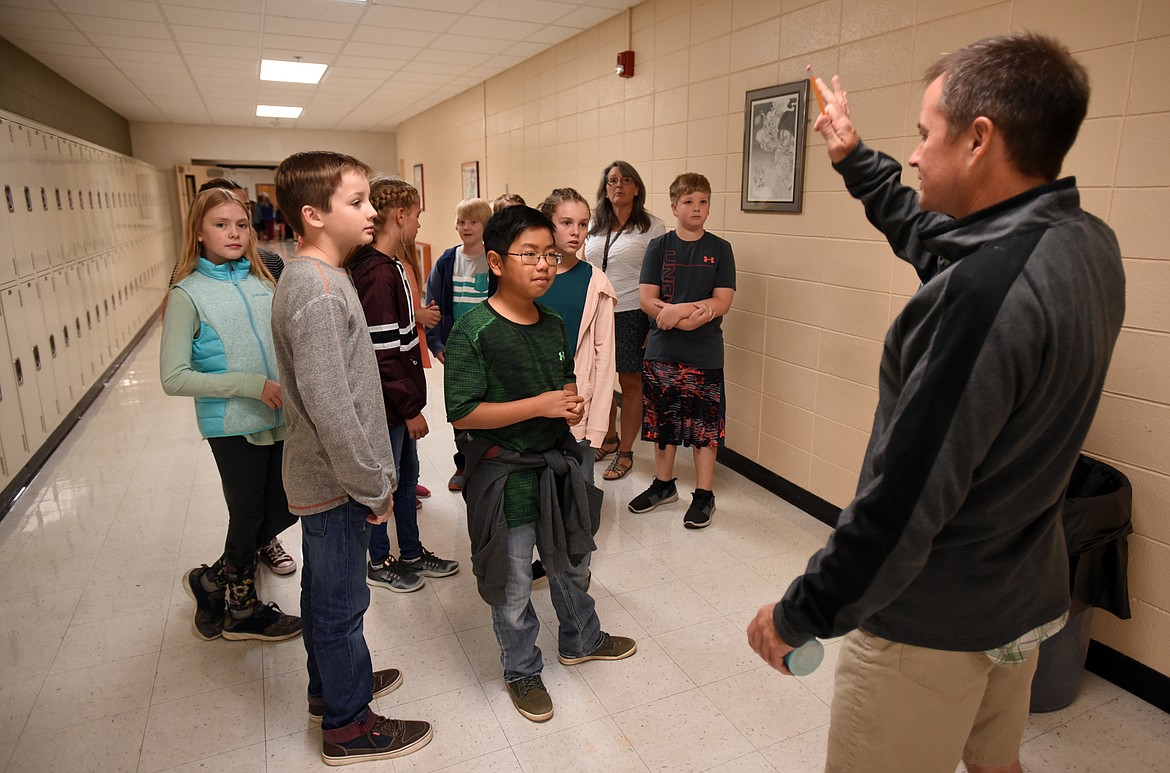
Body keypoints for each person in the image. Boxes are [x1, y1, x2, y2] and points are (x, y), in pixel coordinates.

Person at [746, 32, 1125, 773]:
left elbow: (903, 501)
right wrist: (854, 157)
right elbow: (938, 239)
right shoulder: (1086, 244)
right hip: (1020, 591)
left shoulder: (982, 297)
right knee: (995, 762)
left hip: (932, 623)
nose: (914, 154)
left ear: (980, 138)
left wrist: (801, 612)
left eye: (924, 135)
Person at [444, 205, 636, 723]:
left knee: (572, 560)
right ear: (497, 262)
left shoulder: (552, 323)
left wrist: (568, 399)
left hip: (557, 466)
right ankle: (522, 668)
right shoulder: (474, 330)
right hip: (505, 476)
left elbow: (561, 383)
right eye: (528, 254)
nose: (544, 265)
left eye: (550, 254)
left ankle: (582, 637)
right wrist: (540, 405)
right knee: (511, 584)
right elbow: (462, 410)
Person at [272, 151, 432, 766]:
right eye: (357, 201)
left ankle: (331, 688)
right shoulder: (316, 290)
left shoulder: (324, 277)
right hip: (338, 481)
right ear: (313, 215)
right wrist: (373, 485)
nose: (372, 212)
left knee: (324, 594)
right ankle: (348, 724)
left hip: (333, 476)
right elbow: (332, 409)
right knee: (341, 603)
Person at [162, 188, 302, 643]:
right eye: (221, 225)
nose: (234, 233)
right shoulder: (188, 293)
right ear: (199, 233)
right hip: (232, 424)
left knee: (282, 509)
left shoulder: (266, 279)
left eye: (241, 224)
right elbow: (174, 377)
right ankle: (242, 611)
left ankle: (210, 582)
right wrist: (249, 386)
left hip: (280, 417)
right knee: (246, 516)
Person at [349, 175, 459, 593]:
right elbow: (382, 354)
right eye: (416, 216)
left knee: (407, 477)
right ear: (399, 215)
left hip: (398, 401)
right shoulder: (376, 273)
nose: (417, 225)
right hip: (389, 404)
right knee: (386, 481)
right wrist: (409, 407)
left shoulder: (392, 265)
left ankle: (411, 551)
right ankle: (379, 559)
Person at [628, 173, 735, 529]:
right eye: (688, 202)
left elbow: (722, 301)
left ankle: (704, 494)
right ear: (674, 207)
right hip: (662, 349)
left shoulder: (720, 249)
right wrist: (676, 314)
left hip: (704, 351)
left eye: (703, 201)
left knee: (705, 428)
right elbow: (646, 299)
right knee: (663, 423)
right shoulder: (659, 247)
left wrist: (677, 312)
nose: (696, 208)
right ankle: (663, 486)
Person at [583, 161, 666, 480]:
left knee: (630, 383)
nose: (618, 185)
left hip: (633, 314)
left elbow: (661, 279)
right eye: (612, 180)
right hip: (596, 311)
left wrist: (654, 324)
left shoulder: (652, 228)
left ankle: (627, 450)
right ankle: (609, 437)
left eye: (626, 180)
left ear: (636, 188)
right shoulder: (592, 225)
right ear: (605, 188)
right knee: (598, 380)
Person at [536, 188, 617, 484]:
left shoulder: (596, 282)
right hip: (533, 396)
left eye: (583, 224)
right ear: (548, 224)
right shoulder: (530, 275)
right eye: (566, 223)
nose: (576, 232)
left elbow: (605, 360)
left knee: (579, 488)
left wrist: (598, 426)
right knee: (539, 488)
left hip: (577, 397)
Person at [424, 197, 494, 491]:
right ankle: (463, 464)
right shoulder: (447, 261)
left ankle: (488, 463)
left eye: (473, 222)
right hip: (457, 351)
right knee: (461, 409)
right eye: (462, 222)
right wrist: (437, 345)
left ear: (485, 226)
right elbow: (434, 307)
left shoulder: (493, 260)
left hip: (489, 350)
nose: (466, 227)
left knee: (490, 406)